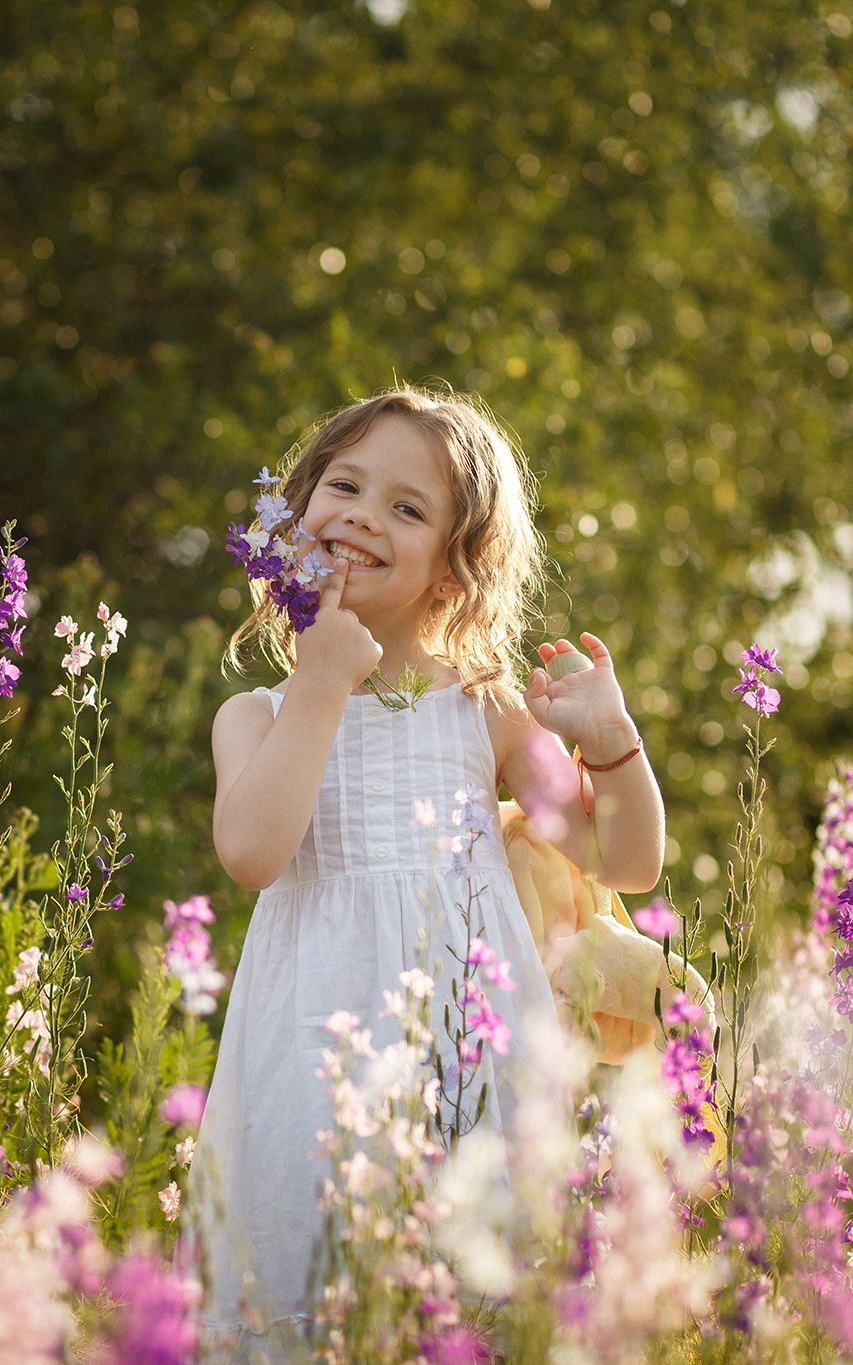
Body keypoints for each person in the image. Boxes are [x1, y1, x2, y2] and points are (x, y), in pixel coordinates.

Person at [195, 384, 666, 1352]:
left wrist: (610, 742)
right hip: (308, 1054)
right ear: (295, 512)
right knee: (309, 1289)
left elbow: (626, 859)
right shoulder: (256, 716)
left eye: (407, 508)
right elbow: (251, 852)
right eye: (344, 486)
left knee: (467, 1297)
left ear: (453, 573)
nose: (363, 515)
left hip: (466, 1050)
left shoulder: (485, 712)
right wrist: (322, 681)